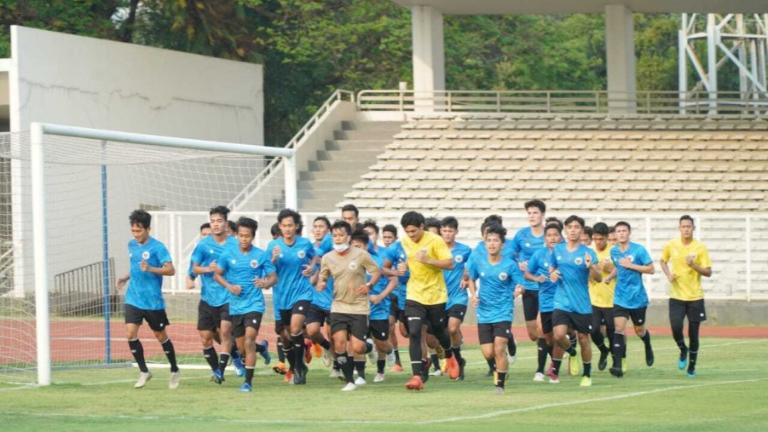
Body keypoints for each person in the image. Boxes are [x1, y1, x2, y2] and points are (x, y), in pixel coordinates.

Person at [116, 209, 179, 389]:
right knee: (130, 333)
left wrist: (151, 269)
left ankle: (174, 369)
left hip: (152, 301)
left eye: (139, 231)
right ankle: (144, 371)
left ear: (148, 229)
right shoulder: (131, 245)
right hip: (133, 298)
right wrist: (125, 277)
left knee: (161, 336)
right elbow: (136, 268)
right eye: (133, 231)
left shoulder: (157, 248)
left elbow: (171, 270)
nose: (136, 234)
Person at [214, 217, 277, 392]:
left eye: (247, 236)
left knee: (249, 339)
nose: (243, 239)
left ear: (253, 236)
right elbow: (217, 274)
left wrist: (265, 283)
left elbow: (273, 277)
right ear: (237, 236)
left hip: (254, 305)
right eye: (241, 236)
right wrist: (229, 286)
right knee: (241, 347)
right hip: (236, 306)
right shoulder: (228, 254)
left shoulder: (260, 255)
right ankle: (262, 348)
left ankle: (248, 382)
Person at [318, 221, 381, 391]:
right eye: (335, 236)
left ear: (348, 236)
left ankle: (370, 346)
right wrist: (322, 283)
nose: (338, 239)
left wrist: (369, 286)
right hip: (339, 306)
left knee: (358, 347)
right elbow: (322, 276)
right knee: (339, 343)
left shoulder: (361, 254)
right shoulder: (327, 257)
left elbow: (376, 272)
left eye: (341, 235)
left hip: (359, 307)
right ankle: (349, 381)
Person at [399, 211, 459, 390]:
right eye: (407, 232)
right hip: (414, 294)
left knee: (439, 332)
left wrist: (429, 260)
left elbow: (449, 264)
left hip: (435, 295)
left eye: (413, 231)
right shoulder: (404, 241)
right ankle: (417, 375)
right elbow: (408, 261)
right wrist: (403, 266)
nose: (410, 235)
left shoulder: (435, 240)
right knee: (415, 332)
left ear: (422, 227)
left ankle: (450, 356)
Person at [546, 215, 602, 387]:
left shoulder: (588, 253)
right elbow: (552, 268)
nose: (573, 230)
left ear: (582, 230)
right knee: (559, 335)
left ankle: (587, 374)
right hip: (562, 301)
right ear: (565, 229)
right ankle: (571, 351)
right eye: (570, 227)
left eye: (576, 227)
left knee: (584, 338)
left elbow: (598, 278)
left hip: (582, 303)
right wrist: (552, 274)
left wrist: (591, 266)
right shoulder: (558, 250)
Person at [467, 224, 523, 394]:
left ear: (502, 244)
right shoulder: (479, 262)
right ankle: (506, 350)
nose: (491, 244)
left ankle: (500, 384)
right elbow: (471, 279)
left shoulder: (510, 265)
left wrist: (518, 290)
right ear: (485, 243)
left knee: (499, 348)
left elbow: (520, 284)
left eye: (495, 241)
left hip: (503, 311)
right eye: (489, 240)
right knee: (488, 352)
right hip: (484, 313)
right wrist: (473, 294)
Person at [189, 206, 242, 383]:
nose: (216, 224)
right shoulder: (203, 244)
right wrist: (206, 270)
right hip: (207, 298)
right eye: (213, 221)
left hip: (228, 296)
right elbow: (194, 267)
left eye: (219, 221)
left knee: (225, 331)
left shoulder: (234, 243)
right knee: (206, 339)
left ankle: (220, 370)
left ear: (226, 224)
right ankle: (218, 369)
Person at [267, 209, 317, 384]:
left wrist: (312, 268)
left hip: (302, 293)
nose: (287, 229)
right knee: (286, 337)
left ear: (296, 226)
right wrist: (272, 260)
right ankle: (297, 366)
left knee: (295, 329)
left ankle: (298, 366)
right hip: (281, 297)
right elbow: (265, 271)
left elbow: (315, 259)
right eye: (284, 225)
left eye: (290, 225)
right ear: (279, 227)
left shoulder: (305, 244)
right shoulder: (273, 246)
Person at [660, 215, 712, 377]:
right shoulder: (671, 245)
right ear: (679, 228)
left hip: (695, 297)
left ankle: (692, 367)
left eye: (689, 226)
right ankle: (683, 349)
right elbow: (662, 261)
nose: (686, 229)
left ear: (693, 228)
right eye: (683, 226)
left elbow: (708, 272)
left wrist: (693, 265)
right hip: (676, 296)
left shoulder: (700, 248)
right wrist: (668, 275)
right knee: (676, 328)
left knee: (693, 333)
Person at [609, 221, 655, 378]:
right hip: (620, 297)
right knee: (618, 329)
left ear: (629, 233)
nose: (621, 233)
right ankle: (617, 365)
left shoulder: (638, 250)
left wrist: (632, 265)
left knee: (639, 330)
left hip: (637, 298)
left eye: (624, 230)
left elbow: (651, 269)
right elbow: (618, 267)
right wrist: (610, 276)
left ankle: (647, 343)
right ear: (615, 234)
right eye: (618, 231)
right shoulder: (614, 251)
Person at [352, 229, 398, 383]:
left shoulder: (378, 261)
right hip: (358, 309)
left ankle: (385, 361)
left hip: (379, 310)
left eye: (359, 246)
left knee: (382, 344)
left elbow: (393, 280)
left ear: (366, 246)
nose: (356, 249)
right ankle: (360, 375)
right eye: (353, 246)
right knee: (357, 341)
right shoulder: (349, 263)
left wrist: (380, 296)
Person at [524, 222, 562, 382]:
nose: (552, 238)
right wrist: (536, 278)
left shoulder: (567, 253)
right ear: (545, 238)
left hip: (564, 301)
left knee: (559, 335)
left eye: (555, 235)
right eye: (549, 235)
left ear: (561, 237)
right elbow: (527, 273)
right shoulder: (539, 254)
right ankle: (543, 368)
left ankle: (548, 370)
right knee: (545, 335)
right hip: (545, 301)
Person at [511, 200, 547, 348]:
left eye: (535, 213)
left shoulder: (550, 234)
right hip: (528, 287)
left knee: (543, 328)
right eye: (529, 213)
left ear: (542, 215)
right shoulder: (521, 234)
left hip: (546, 288)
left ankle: (551, 361)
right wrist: (519, 263)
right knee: (533, 334)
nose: (532, 216)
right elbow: (510, 255)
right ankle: (553, 347)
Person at [440, 216, 472, 381]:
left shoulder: (465, 250)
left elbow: (474, 267)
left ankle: (457, 360)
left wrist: (467, 278)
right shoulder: (435, 250)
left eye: (450, 231)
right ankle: (458, 360)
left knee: (452, 328)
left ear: (456, 232)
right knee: (445, 332)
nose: (447, 234)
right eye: (444, 230)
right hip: (439, 297)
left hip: (458, 296)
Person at [306, 216, 334, 369]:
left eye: (321, 226)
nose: (317, 229)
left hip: (332, 297)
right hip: (315, 299)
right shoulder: (309, 248)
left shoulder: (331, 245)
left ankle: (340, 366)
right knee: (312, 330)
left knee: (335, 334)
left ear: (328, 230)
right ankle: (327, 347)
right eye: (315, 226)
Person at [589, 222, 616, 371]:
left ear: (606, 238)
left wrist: (611, 269)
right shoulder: (590, 251)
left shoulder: (614, 251)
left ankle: (615, 358)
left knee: (612, 331)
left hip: (611, 299)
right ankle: (603, 350)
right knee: (593, 330)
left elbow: (621, 269)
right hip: (594, 298)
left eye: (600, 239)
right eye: (595, 239)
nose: (598, 242)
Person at [185, 222, 211, 290]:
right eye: (204, 234)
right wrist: (191, 278)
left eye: (210, 235)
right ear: (200, 236)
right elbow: (193, 269)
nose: (207, 237)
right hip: (209, 292)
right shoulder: (199, 250)